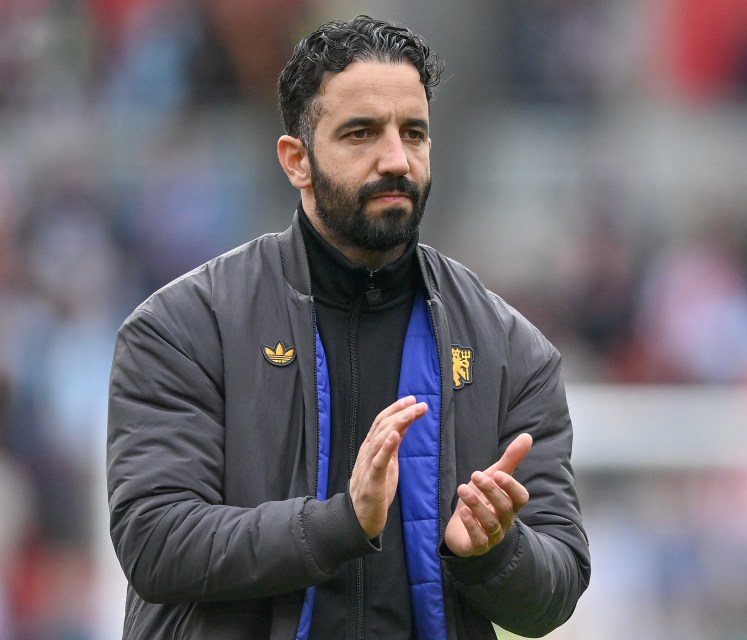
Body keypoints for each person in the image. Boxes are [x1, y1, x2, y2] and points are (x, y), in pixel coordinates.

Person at [106, 14, 590, 640]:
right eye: (362, 133)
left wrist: (495, 551)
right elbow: (155, 542)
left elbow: (557, 588)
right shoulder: (182, 329)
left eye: (413, 133)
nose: (396, 159)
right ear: (296, 160)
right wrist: (340, 524)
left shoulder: (511, 351)